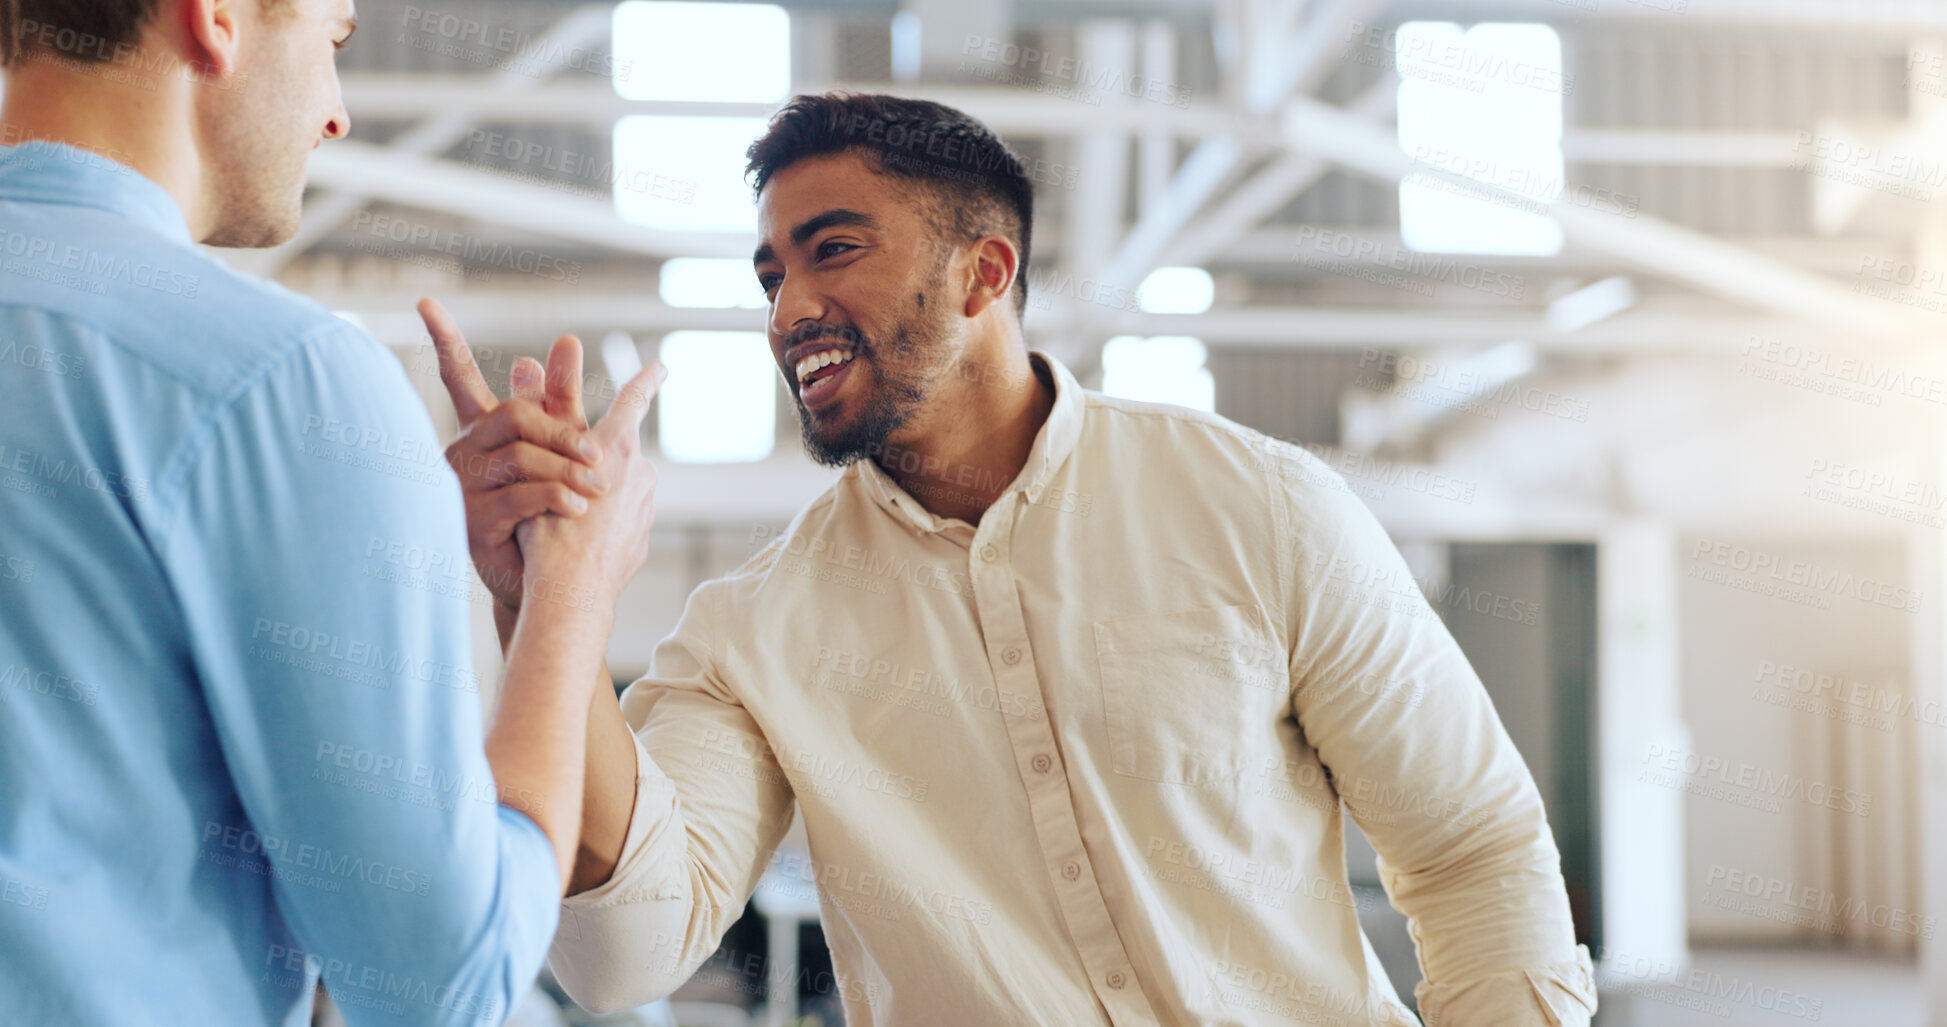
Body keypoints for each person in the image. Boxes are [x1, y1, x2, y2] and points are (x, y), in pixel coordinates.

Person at [436, 92, 1598, 1025]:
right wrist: (554, 599)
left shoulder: (1263, 510)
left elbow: (1470, 847)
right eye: (771, 276)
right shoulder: (754, 629)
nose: (788, 307)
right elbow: (623, 951)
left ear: (983, 274)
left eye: (831, 251)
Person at [0, 0, 662, 1023]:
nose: (338, 113)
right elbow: (440, 985)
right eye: (334, 38)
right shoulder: (280, 381)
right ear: (215, 17)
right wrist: (570, 591)